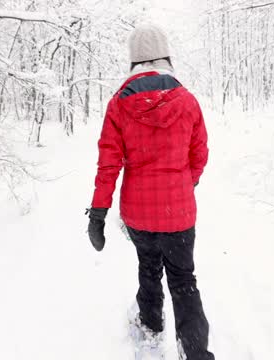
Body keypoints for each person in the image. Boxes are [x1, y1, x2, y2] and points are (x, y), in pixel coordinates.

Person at [86, 24, 215, 360]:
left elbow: (108, 165)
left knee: (148, 268)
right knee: (184, 280)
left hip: (138, 214)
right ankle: (195, 352)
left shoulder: (118, 105)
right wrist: (187, 183)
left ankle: (150, 328)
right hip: (180, 213)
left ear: (133, 62)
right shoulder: (187, 101)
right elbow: (199, 154)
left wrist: (98, 213)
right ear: (166, 57)